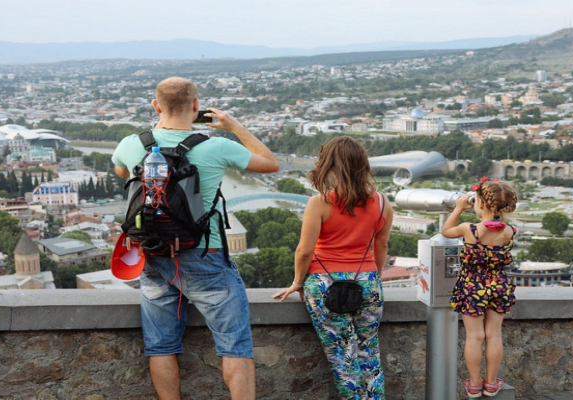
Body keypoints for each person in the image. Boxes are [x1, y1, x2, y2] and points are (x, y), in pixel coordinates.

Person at [112, 77, 279, 400]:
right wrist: (234, 126)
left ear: (155, 106)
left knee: (161, 346)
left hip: (154, 256)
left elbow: (122, 173)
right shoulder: (216, 146)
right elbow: (270, 164)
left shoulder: (132, 143)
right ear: (196, 106)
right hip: (205, 254)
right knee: (234, 347)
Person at [272, 136, 393, 400]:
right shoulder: (382, 202)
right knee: (369, 354)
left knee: (343, 359)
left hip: (325, 283)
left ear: (328, 166)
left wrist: (297, 281)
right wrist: (373, 276)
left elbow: (304, 250)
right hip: (368, 280)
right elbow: (380, 247)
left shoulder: (320, 203)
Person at [440, 178, 518, 399]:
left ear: (480, 204)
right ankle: (491, 383)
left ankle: (474, 384)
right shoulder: (510, 231)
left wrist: (458, 208)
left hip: (473, 286)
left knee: (475, 337)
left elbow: (446, 231)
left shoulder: (470, 229)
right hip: (499, 286)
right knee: (494, 335)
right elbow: (498, 224)